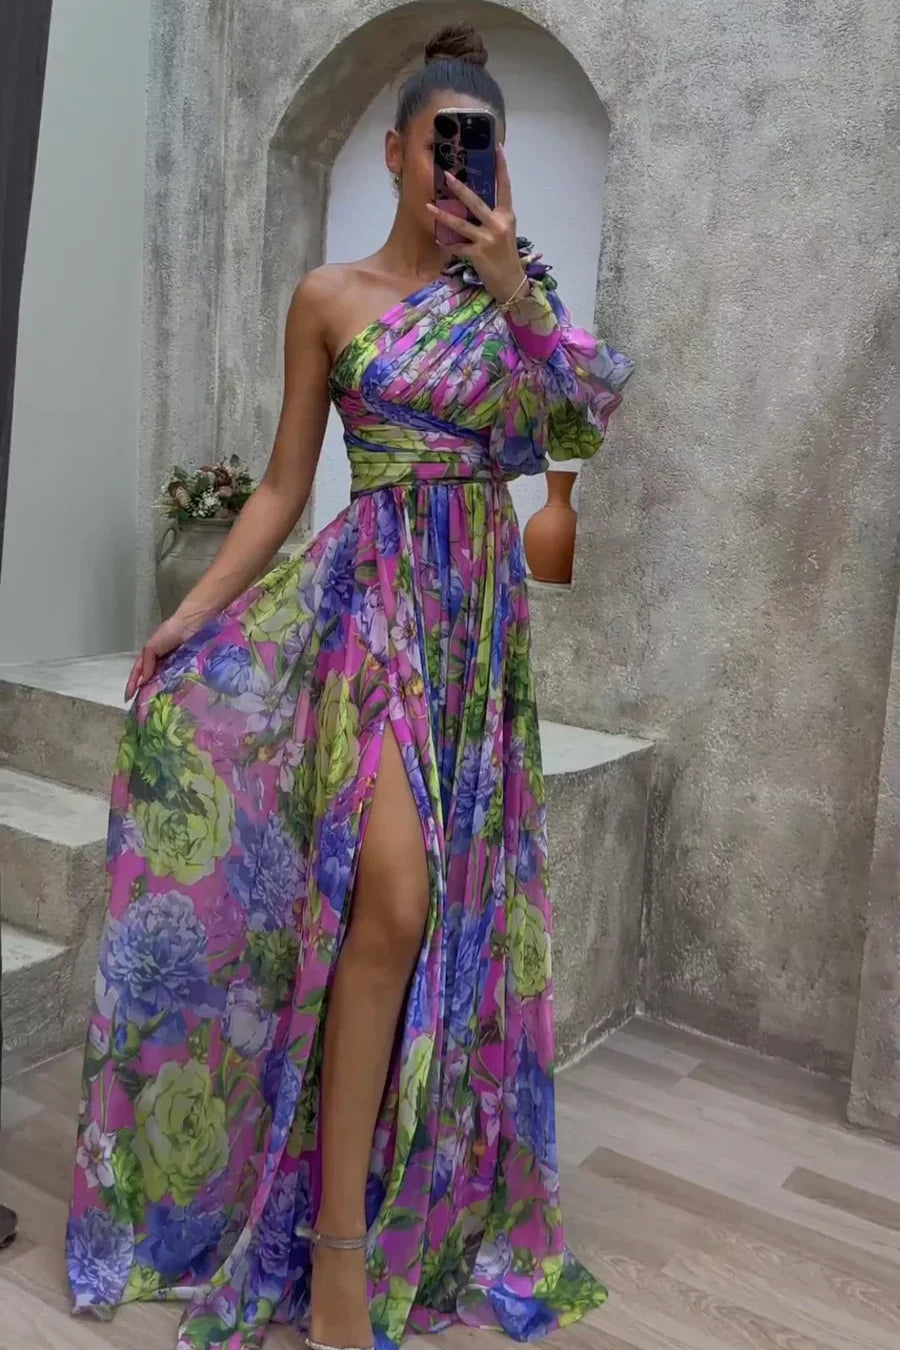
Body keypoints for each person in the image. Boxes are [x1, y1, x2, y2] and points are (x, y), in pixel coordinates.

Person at [65, 21, 634, 1350]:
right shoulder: (329, 297)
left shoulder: (518, 297)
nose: (454, 168)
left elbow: (584, 426)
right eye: (438, 144)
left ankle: (401, 1189)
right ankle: (330, 1246)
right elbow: (281, 486)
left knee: (437, 920)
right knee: (391, 900)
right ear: (393, 152)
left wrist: (518, 291)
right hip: (370, 604)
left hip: (474, 623)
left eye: (477, 148)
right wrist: (188, 616)